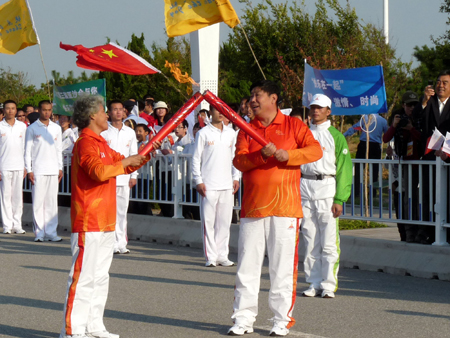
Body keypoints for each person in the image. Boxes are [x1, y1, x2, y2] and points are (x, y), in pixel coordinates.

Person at [229, 80, 322, 337]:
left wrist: (288, 156)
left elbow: (315, 151)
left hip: (286, 208)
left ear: (273, 98)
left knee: (282, 268)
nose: (252, 100)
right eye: (251, 96)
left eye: (257, 95)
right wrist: (262, 156)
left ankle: (282, 319)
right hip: (253, 208)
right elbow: (239, 160)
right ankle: (243, 319)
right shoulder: (247, 129)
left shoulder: (294, 125)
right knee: (247, 267)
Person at [60, 95, 156, 338]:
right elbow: (98, 172)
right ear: (92, 116)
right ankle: (72, 331)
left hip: (106, 220)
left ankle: (94, 326)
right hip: (88, 220)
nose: (108, 115)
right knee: (82, 277)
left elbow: (125, 164)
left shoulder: (101, 143)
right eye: (104, 111)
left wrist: (146, 152)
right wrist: (126, 162)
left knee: (100, 276)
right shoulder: (85, 143)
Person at [300, 94, 352, 299]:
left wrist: (340, 198)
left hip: (327, 188)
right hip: (305, 186)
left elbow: (344, 169)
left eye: (320, 108)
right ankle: (313, 282)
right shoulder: (303, 133)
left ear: (328, 111)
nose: (315, 111)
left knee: (328, 241)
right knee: (310, 238)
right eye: (313, 107)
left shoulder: (336, 136)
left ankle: (328, 284)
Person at [192, 107, 240, 267]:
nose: (220, 113)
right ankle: (211, 257)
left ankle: (222, 255)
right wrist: (198, 180)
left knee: (224, 222)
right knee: (209, 223)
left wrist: (236, 177)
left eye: (222, 110)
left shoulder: (231, 133)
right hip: (209, 185)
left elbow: (235, 157)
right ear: (210, 112)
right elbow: (196, 158)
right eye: (216, 110)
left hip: (227, 185)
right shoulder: (203, 133)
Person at [414, 70, 450, 243]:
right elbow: (418, 123)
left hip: (448, 157)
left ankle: (447, 233)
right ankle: (427, 232)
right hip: (431, 156)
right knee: (429, 196)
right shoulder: (430, 102)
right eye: (438, 82)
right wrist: (424, 102)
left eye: (445, 82)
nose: (440, 85)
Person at [383, 91, 422, 242]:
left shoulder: (419, 119)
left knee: (415, 200)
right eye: (409, 105)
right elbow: (386, 138)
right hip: (402, 167)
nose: (412, 108)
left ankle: (416, 231)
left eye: (414, 105)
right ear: (403, 105)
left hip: (418, 165)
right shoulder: (398, 119)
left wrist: (411, 128)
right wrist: (394, 125)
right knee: (404, 201)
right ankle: (406, 233)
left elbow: (424, 139)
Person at [101, 100, 138, 254]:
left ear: (124, 112)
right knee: (108, 211)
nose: (118, 112)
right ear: (108, 112)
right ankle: (110, 243)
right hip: (108, 178)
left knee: (122, 211)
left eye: (120, 109)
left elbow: (134, 155)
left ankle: (121, 243)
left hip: (124, 178)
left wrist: (134, 174)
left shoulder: (130, 132)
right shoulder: (103, 132)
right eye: (114, 109)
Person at [24, 100, 63, 242]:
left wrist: (60, 168)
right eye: (44, 110)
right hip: (38, 170)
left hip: (53, 170)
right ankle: (39, 233)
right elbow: (27, 151)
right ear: (39, 111)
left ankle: (52, 232)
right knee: (39, 202)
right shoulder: (32, 128)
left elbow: (59, 149)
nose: (47, 112)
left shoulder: (56, 128)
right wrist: (29, 170)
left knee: (52, 202)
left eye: (49, 110)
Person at [0, 100, 27, 234]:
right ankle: (7, 225)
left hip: (19, 166)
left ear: (16, 110)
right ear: (4, 110)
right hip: (4, 166)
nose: (10, 111)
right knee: (5, 196)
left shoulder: (22, 126)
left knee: (17, 196)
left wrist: (26, 166)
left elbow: (25, 148)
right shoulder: (0, 126)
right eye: (8, 108)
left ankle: (17, 224)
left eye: (13, 108)